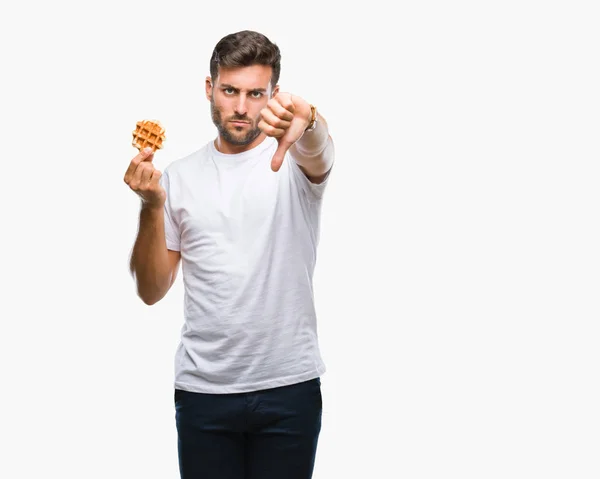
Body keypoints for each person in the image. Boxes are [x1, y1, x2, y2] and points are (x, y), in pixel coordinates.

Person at [123, 30, 335, 479]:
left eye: (256, 93)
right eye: (230, 91)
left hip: (289, 388)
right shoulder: (178, 176)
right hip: (204, 393)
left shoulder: (295, 160)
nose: (241, 107)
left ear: (274, 94)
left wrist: (310, 120)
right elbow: (150, 289)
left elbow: (320, 150)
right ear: (210, 89)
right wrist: (151, 206)